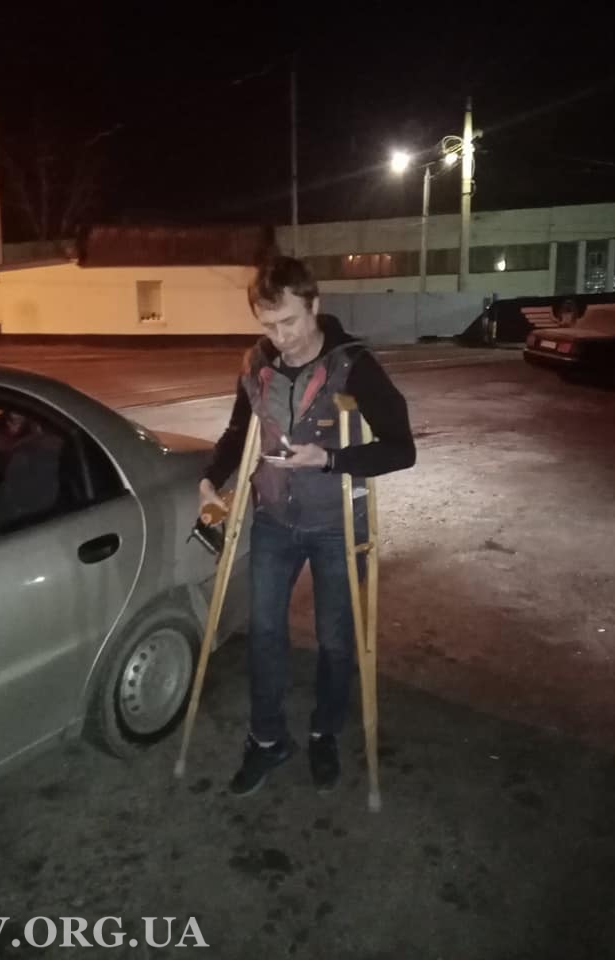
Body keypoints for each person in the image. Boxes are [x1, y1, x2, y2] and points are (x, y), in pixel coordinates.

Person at [199, 256, 416, 797]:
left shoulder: (353, 364)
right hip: (273, 520)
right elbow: (238, 431)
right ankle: (268, 739)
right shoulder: (257, 364)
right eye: (268, 324)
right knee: (264, 633)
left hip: (335, 524)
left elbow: (401, 449)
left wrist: (330, 459)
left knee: (335, 639)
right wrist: (210, 480)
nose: (281, 337)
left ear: (314, 305)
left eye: (290, 322)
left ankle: (325, 732)